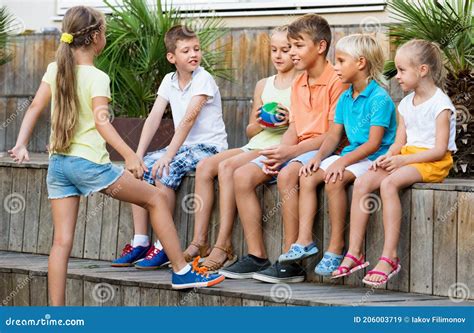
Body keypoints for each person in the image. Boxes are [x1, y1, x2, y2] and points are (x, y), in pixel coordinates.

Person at [9, 7, 224, 305]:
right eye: (105, 33)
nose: (105, 37)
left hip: (58, 166)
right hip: (91, 167)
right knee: (156, 198)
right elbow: (102, 122)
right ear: (96, 37)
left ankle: (55, 312)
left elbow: (34, 106)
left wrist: (21, 143)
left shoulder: (55, 69)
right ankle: (181, 270)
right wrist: (130, 157)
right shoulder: (97, 77)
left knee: (60, 242)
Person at [220, 14, 346, 283]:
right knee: (242, 176)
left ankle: (291, 259)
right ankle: (257, 256)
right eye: (290, 47)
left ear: (320, 47)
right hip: (298, 149)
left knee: (288, 173)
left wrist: (289, 154)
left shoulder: (338, 80)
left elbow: (331, 136)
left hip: (324, 151)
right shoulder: (300, 81)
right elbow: (294, 129)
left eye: (298, 46)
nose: (292, 53)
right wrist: (280, 153)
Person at [334, 39, 456, 286]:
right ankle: (355, 253)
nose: (396, 76)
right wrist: (388, 156)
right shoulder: (405, 105)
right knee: (364, 181)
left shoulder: (440, 105)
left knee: (389, 184)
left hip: (433, 161)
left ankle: (389, 256)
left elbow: (439, 150)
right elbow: (399, 141)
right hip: (408, 156)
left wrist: (403, 161)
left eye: (402, 70)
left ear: (422, 70)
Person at [280, 34, 397, 279]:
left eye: (341, 61)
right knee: (308, 176)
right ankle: (305, 240)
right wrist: (318, 157)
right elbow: (333, 136)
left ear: (361, 63)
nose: (335, 66)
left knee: (334, 179)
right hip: (351, 155)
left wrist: (343, 161)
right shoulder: (346, 97)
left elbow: (374, 143)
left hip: (373, 159)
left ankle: (335, 248)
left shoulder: (379, 99)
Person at [112, 25, 228, 270]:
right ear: (172, 57)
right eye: (186, 50)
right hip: (184, 148)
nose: (194, 54)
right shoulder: (169, 80)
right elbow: (154, 117)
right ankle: (141, 241)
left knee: (164, 171)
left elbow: (188, 120)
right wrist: (138, 155)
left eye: (196, 49)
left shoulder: (203, 79)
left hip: (209, 147)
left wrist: (169, 155)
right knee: (139, 171)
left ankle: (164, 246)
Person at [182, 26, 296, 273]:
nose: (278, 56)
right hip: (257, 142)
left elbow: (302, 125)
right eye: (274, 50)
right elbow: (250, 131)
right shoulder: (263, 84)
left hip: (279, 146)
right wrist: (259, 122)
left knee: (227, 166)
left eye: (285, 50)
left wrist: (289, 120)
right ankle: (200, 241)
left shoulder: (300, 83)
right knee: (204, 167)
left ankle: (223, 244)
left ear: (295, 51)